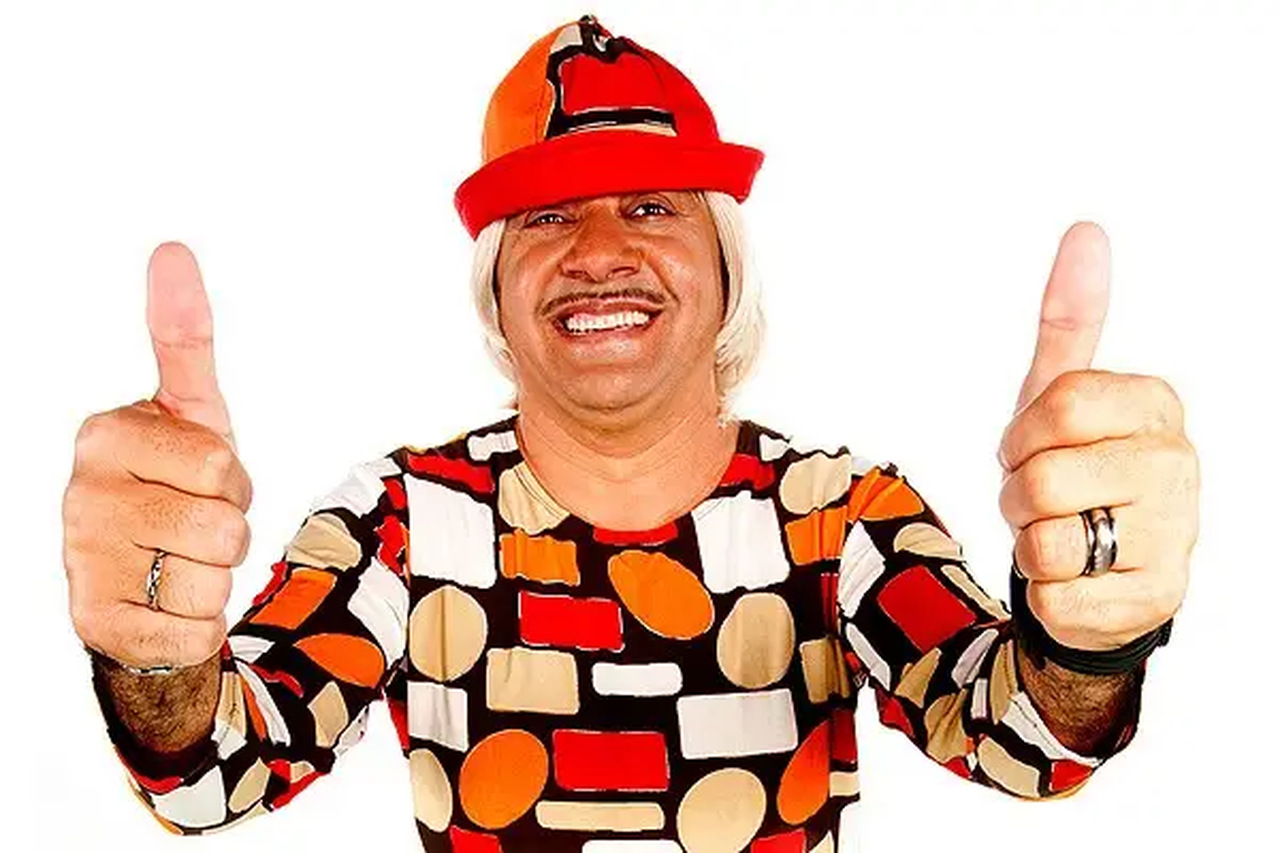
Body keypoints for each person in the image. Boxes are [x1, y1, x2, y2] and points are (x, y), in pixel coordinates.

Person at [61, 15, 1198, 853]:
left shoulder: (840, 516)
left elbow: (1026, 741)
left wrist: (1087, 642)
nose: (598, 249)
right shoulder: (401, 522)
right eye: (546, 214)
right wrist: (155, 659)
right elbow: (212, 774)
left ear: (724, 272)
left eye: (652, 203)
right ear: (496, 292)